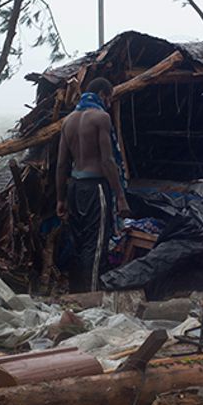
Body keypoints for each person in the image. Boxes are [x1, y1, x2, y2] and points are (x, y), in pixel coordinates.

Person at [56, 78, 130, 290]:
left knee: (78, 242)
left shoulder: (68, 121)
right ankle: (90, 295)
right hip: (95, 187)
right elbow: (107, 161)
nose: (109, 103)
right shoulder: (101, 118)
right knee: (96, 244)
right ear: (103, 94)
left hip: (74, 188)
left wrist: (61, 199)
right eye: (110, 98)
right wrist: (121, 197)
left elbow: (62, 164)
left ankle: (74, 292)